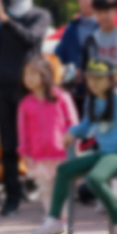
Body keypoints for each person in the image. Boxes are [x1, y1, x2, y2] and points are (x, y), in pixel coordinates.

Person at [30, 59, 117, 234]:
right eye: (90, 79)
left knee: (96, 179)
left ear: (111, 79)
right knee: (64, 169)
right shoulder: (92, 100)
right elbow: (87, 125)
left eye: (99, 78)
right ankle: (54, 220)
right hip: (103, 153)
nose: (93, 83)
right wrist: (73, 132)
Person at [0, 0, 51, 216]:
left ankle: (47, 192)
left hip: (30, 90)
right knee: (8, 147)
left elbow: (30, 39)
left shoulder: (39, 15)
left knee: (38, 143)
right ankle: (12, 196)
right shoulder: (0, 16)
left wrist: (4, 19)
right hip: (2, 89)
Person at [17, 56, 79, 217]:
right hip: (38, 155)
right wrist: (25, 153)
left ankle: (62, 216)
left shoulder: (61, 97)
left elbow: (72, 122)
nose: (28, 78)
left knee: (61, 186)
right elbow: (22, 133)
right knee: (45, 188)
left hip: (61, 153)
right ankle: (53, 217)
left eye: (33, 74)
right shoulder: (25, 104)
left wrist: (74, 146)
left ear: (45, 74)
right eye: (26, 75)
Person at [81, 0, 117, 80]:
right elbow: (85, 69)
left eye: (107, 11)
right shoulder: (91, 39)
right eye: (99, 12)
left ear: (116, 11)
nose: (103, 16)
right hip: (97, 90)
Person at [55, 0, 100, 70]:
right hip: (73, 81)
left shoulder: (103, 28)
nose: (88, 1)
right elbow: (59, 55)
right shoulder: (71, 28)